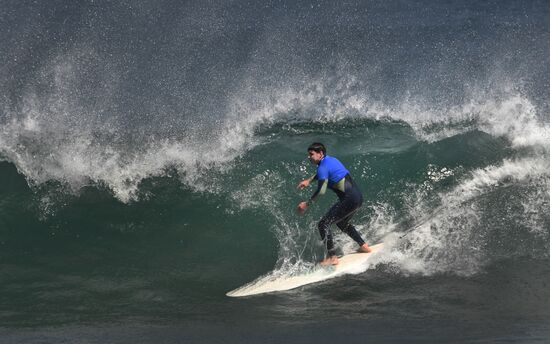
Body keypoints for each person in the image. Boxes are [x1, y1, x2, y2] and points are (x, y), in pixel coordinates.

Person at [297, 142, 371, 266]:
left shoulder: (322, 168)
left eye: (311, 154)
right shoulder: (332, 160)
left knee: (323, 224)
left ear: (320, 154)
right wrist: (309, 180)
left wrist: (307, 204)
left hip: (348, 199)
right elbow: (323, 173)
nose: (309, 157)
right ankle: (364, 246)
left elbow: (321, 191)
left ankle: (332, 257)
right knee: (342, 223)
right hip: (358, 197)